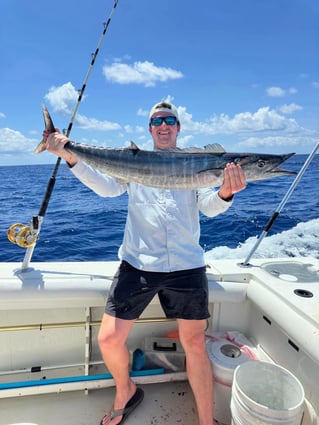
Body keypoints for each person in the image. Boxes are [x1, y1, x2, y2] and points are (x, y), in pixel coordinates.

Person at [45, 101, 246, 425]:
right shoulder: (135, 163)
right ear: (150, 130)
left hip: (186, 265)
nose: (163, 125)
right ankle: (126, 390)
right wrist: (70, 155)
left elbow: (208, 207)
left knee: (194, 341)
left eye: (169, 120)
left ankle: (207, 422)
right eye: (157, 121)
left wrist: (224, 192)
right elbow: (107, 188)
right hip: (138, 263)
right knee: (109, 339)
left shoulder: (194, 162)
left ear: (178, 127)